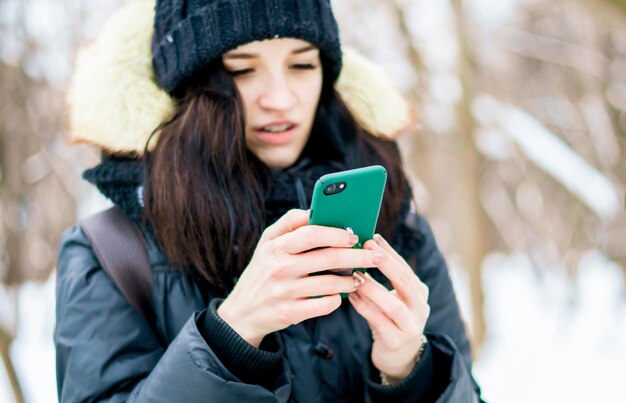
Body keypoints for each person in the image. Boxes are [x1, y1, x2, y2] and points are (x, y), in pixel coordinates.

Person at [55, 0, 483, 402]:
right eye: (242, 70)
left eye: (301, 64)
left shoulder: (397, 225)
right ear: (191, 87)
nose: (280, 99)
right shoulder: (110, 253)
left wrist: (410, 372)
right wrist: (232, 337)